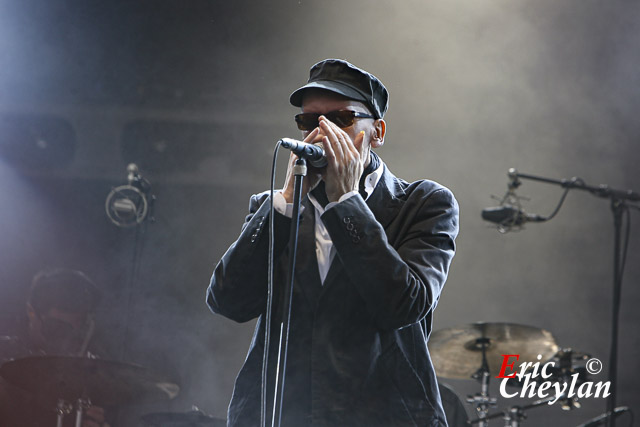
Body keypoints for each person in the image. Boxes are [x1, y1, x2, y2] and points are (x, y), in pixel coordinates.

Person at [207, 59, 459, 426]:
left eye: (341, 118)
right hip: (282, 415)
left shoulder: (423, 203)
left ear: (378, 132)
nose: (322, 133)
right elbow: (228, 301)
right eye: (309, 122)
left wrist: (347, 203)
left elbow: (403, 306)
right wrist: (286, 203)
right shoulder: (274, 207)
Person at [0, 268, 109, 427]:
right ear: (31, 312)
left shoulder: (85, 370)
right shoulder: (5, 355)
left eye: (75, 333)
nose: (66, 341)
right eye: (57, 329)